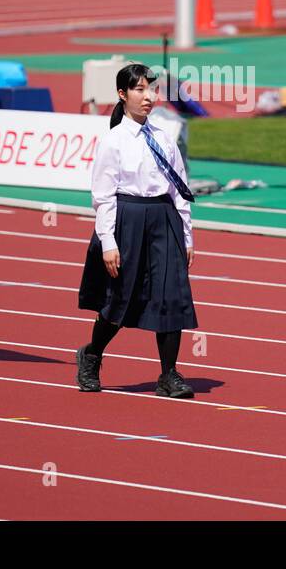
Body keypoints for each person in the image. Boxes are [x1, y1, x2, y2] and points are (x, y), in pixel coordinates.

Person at [75, 63, 198, 398]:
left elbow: (180, 191)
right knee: (119, 301)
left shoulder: (164, 138)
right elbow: (102, 197)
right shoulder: (113, 141)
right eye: (140, 89)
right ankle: (92, 354)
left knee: (171, 296)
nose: (148, 97)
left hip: (163, 219)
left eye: (151, 89)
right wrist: (108, 243)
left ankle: (168, 374)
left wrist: (186, 236)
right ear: (122, 94)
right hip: (127, 220)